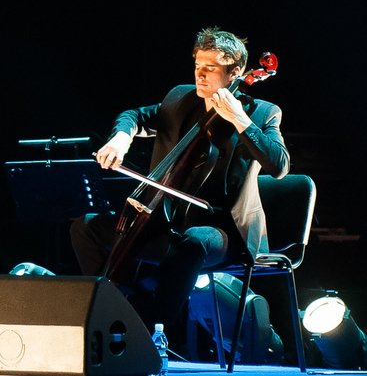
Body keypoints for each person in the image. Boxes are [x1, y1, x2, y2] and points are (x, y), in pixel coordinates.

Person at [70, 27, 290, 333]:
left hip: (222, 233)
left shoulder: (262, 112)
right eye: (198, 67)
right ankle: (110, 309)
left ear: (235, 73)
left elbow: (279, 165)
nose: (200, 75)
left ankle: (154, 332)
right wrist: (121, 138)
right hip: (164, 224)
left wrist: (240, 119)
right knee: (86, 226)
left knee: (195, 240)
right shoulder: (179, 99)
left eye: (210, 69)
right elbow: (135, 115)